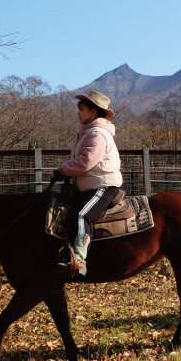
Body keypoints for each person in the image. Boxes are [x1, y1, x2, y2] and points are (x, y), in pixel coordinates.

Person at [54, 90, 123, 277]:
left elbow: (87, 161)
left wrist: (63, 169)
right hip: (90, 186)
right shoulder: (87, 132)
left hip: (103, 186)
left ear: (93, 112)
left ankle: (79, 259)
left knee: (80, 214)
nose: (78, 113)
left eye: (82, 109)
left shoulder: (97, 134)